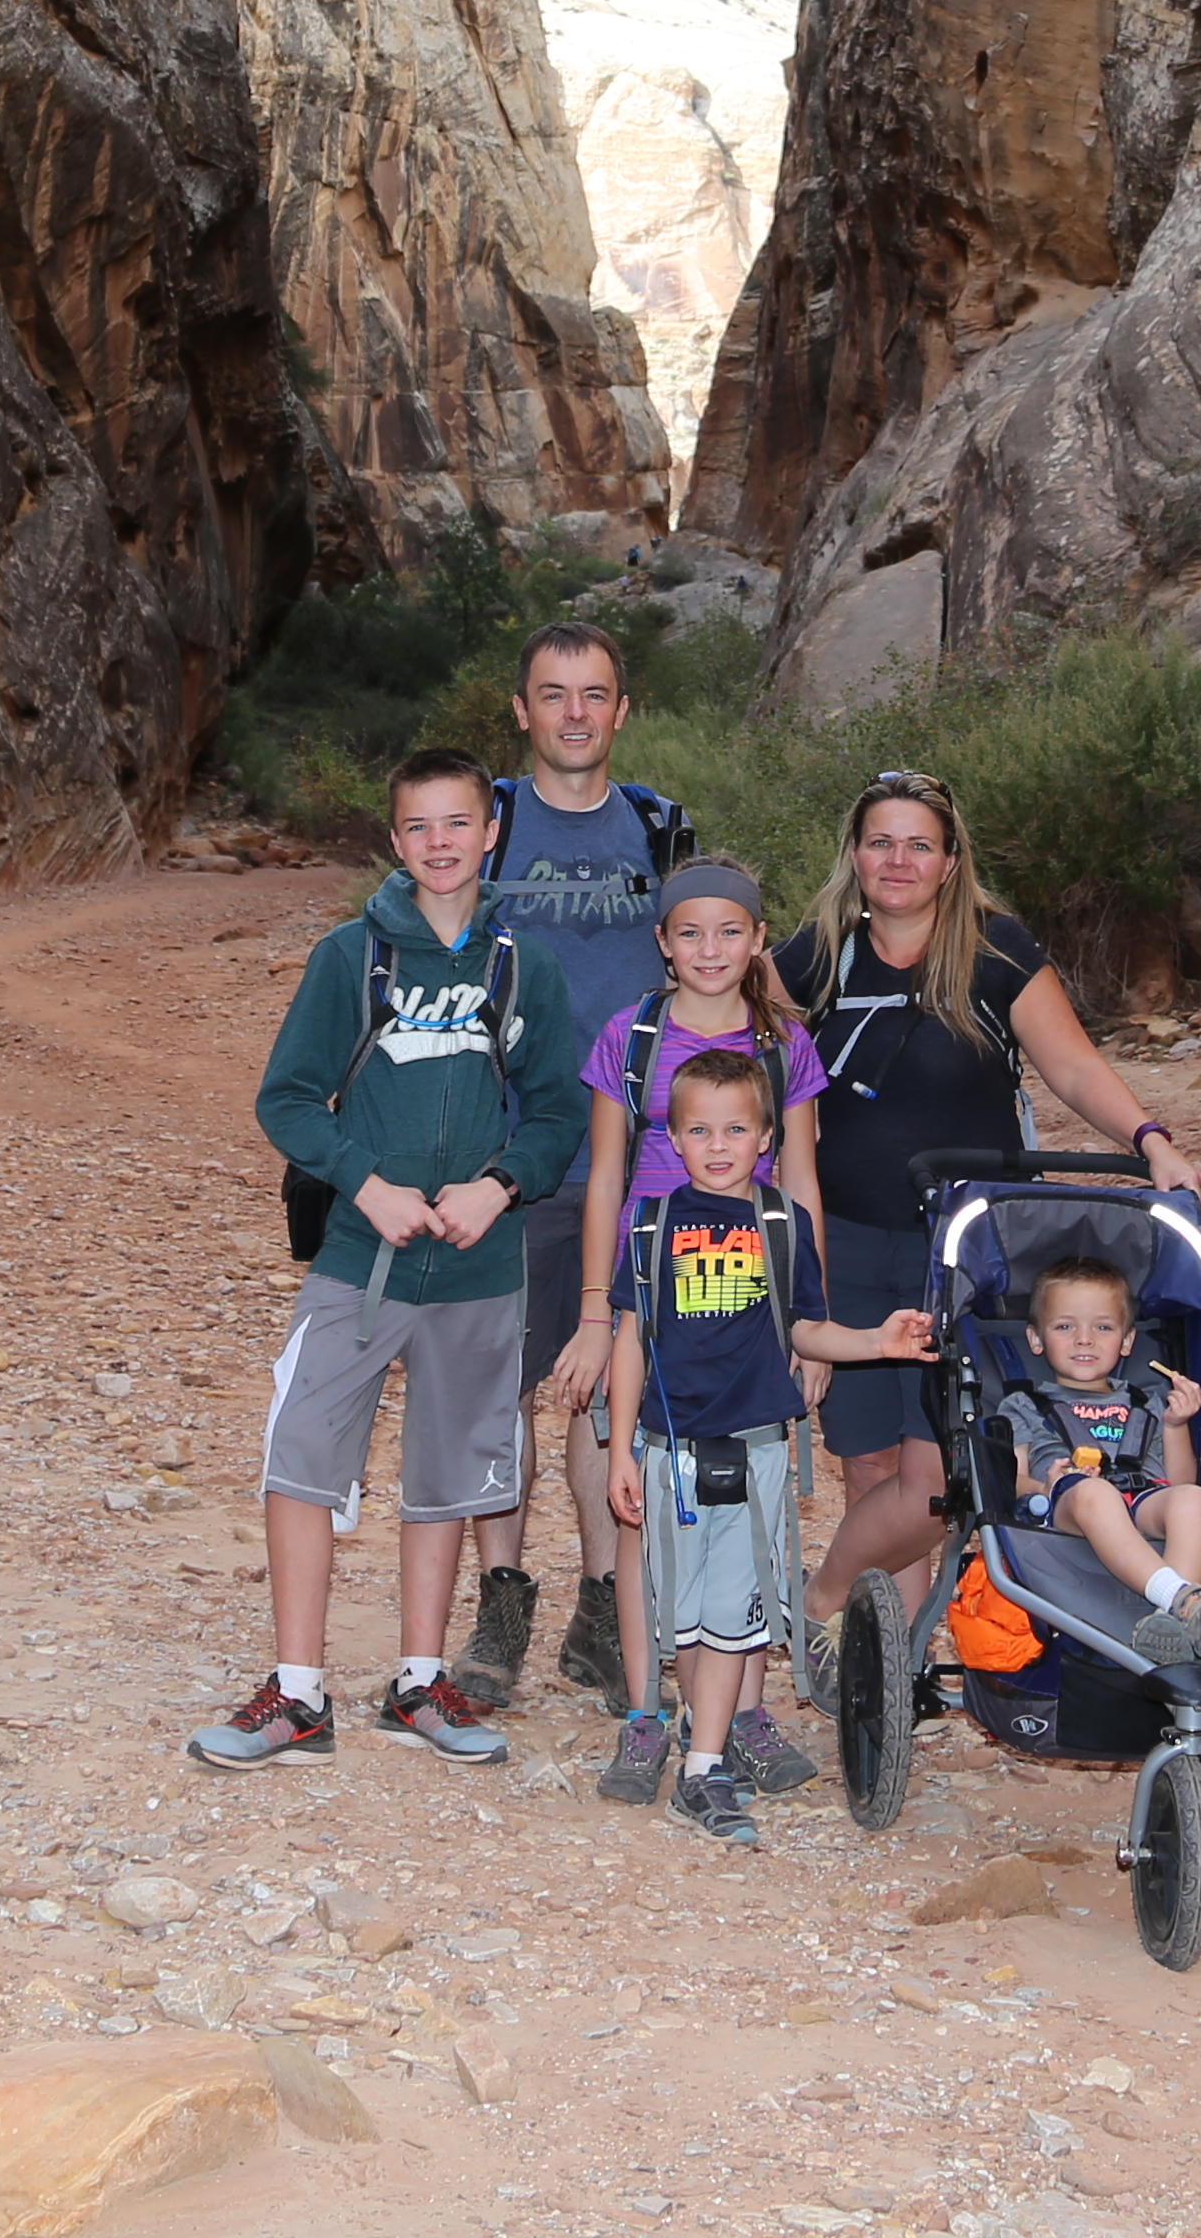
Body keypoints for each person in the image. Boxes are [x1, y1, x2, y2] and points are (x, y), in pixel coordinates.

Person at [195, 747, 581, 1772]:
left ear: (492, 829)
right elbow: (286, 1098)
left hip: (478, 1269)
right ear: (395, 838)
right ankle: (296, 1691)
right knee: (301, 1459)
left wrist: (499, 1185)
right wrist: (364, 1181)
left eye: (459, 824)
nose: (440, 844)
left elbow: (557, 1110)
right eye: (419, 827)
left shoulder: (521, 966)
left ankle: (420, 1681)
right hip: (358, 1262)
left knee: (448, 1479)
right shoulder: (350, 958)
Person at [774, 767, 1201, 1660]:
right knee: (868, 1464)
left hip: (963, 1245)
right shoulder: (810, 957)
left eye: (918, 844)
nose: (898, 860)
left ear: (950, 859)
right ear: (854, 854)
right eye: (881, 842)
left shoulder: (995, 950)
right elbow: (741, 1068)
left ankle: (817, 1600)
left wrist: (1151, 1138)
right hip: (844, 1238)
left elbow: (1073, 1068)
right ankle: (889, 1665)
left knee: (938, 1476)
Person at [590, 1047, 931, 1842]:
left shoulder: (782, 1224)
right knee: (679, 1610)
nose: (718, 1145)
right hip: (669, 1450)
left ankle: (703, 1768)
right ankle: (669, 1734)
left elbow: (805, 1328)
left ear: (768, 1135)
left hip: (755, 1449)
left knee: (733, 1618)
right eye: (700, 1129)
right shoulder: (650, 1225)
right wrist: (618, 1454)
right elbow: (632, 1338)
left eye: (736, 1128)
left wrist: (877, 1340)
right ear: (672, 1138)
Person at [542, 860, 829, 1792]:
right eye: (690, 934)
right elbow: (608, 1186)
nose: (711, 952)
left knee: (751, 1514)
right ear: (662, 941)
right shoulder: (631, 1038)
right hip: (650, 1302)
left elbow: (802, 1184)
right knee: (643, 1520)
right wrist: (596, 1315)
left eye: (731, 933)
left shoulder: (784, 1041)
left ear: (757, 939)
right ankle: (644, 1712)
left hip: (750, 1309)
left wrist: (805, 1320)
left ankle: (742, 1713)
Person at [459, 621, 693, 1714]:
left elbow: (709, 955)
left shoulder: (657, 827)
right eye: (552, 694)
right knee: (499, 1395)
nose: (574, 714)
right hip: (507, 1155)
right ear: (521, 709)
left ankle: (608, 1613)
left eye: (594, 694)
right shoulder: (486, 823)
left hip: (638, 1159)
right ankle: (501, 1606)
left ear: (621, 710)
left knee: (612, 1401)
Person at [1000, 1258, 1201, 1659]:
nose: (1084, 1339)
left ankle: (1174, 1624)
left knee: (1195, 1499)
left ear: (1127, 1341)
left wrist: (1176, 1425)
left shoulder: (1147, 1403)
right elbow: (1010, 1478)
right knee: (1094, 1492)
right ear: (1036, 1338)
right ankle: (1182, 1601)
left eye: (1103, 1327)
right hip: (1068, 1506)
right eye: (1064, 1326)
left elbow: (1179, 1483)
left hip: (1142, 1498)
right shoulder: (1023, 1404)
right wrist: (1044, 1485)